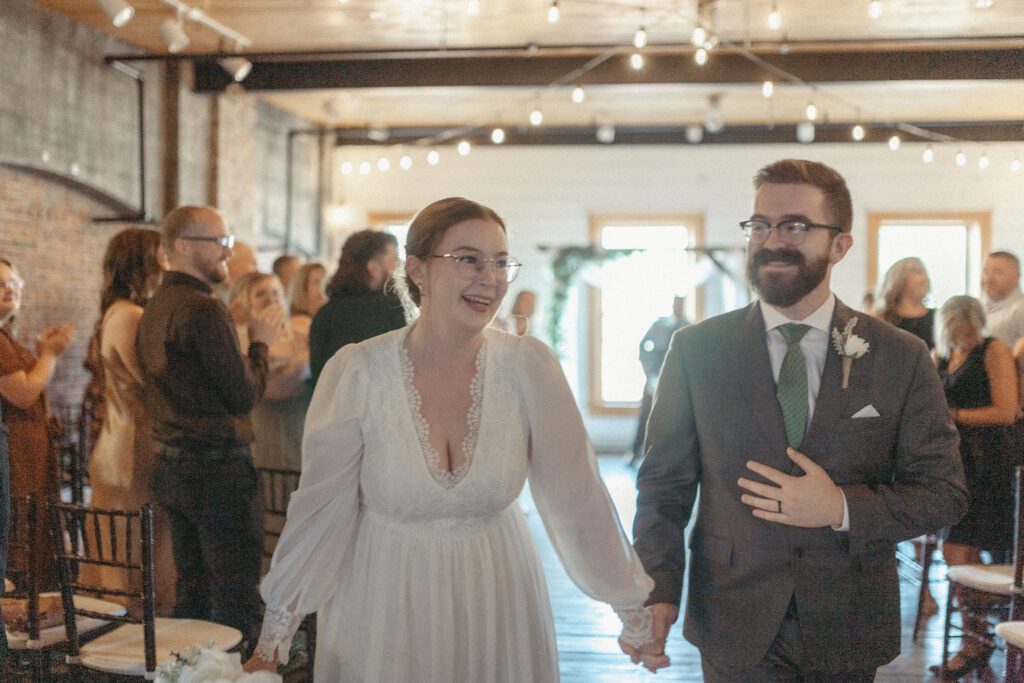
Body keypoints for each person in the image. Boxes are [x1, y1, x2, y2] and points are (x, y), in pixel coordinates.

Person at [244, 197, 661, 681]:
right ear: (417, 270)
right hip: (383, 603)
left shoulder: (529, 366)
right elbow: (321, 510)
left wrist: (631, 610)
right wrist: (275, 635)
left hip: (498, 595)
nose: (491, 277)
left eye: (501, 262)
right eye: (468, 259)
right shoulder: (358, 371)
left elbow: (578, 494)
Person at [633, 159, 967, 681]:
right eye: (760, 225)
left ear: (840, 245)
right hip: (732, 612)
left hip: (849, 617)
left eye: (794, 226)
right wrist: (656, 590)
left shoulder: (899, 356)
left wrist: (839, 506)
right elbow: (663, 487)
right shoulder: (697, 350)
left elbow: (944, 492)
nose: (771, 241)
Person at [136, 206, 282, 647]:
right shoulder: (203, 308)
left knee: (193, 590)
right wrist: (259, 343)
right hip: (217, 473)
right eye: (219, 241)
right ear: (182, 246)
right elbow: (241, 396)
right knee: (235, 595)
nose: (227, 250)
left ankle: (188, 670)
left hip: (173, 467)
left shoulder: (156, 306)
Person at [84, 228, 176, 611]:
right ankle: (137, 633)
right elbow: (153, 383)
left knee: (121, 540)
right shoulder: (131, 315)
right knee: (135, 543)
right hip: (134, 446)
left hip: (120, 440)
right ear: (144, 263)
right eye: (161, 255)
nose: (167, 264)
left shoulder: (117, 311)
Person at [928, 295, 1018, 678]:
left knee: (959, 547)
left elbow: (1007, 410)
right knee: (955, 550)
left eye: (967, 330)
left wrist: (955, 416)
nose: (963, 337)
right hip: (959, 465)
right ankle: (978, 635)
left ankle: (976, 639)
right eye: (956, 331)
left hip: (991, 465)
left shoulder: (992, 351)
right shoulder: (944, 356)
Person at [0, 259, 76, 590]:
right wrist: (51, 354)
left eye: (15, 282)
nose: (10, 289)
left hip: (26, 446)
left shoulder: (6, 337)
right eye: (1, 283)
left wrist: (43, 352)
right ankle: (23, 613)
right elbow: (24, 394)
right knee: (21, 532)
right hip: (13, 448)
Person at [230, 272, 310, 472]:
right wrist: (302, 359)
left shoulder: (300, 332)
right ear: (243, 303)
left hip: (298, 434)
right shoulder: (240, 338)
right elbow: (272, 386)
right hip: (261, 436)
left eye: (276, 292)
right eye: (261, 294)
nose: (271, 299)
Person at [308, 229, 405, 386]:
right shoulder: (391, 309)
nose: (398, 266)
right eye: (394, 260)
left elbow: (318, 377)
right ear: (373, 268)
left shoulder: (326, 312)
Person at [631, 295, 689, 467]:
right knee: (645, 417)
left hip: (677, 381)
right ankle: (635, 453)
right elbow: (644, 345)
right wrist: (649, 369)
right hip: (655, 375)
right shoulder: (660, 325)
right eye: (675, 304)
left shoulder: (688, 327)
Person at [877, 256, 935, 349]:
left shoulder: (938, 318)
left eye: (925, 273)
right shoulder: (880, 320)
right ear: (898, 279)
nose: (925, 278)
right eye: (917, 272)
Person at [981, 250, 1024, 349]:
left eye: (998, 272)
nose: (988, 279)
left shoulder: (1020, 309)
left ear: (1016, 277)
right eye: (985, 271)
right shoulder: (977, 308)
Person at [287, 262, 327, 339]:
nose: (324, 287)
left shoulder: (321, 320)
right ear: (302, 288)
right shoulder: (300, 325)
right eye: (316, 282)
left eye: (326, 281)